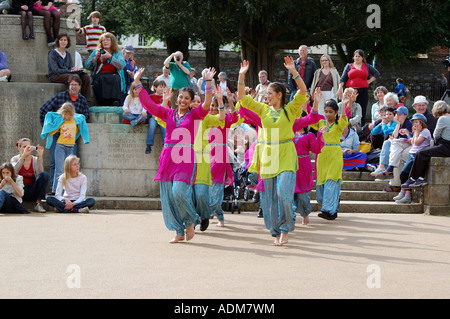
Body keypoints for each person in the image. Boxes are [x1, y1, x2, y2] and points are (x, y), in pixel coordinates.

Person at [134, 66, 215, 243]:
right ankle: (179, 231)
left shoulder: (194, 115)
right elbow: (148, 105)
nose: (183, 100)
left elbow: (207, 104)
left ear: (191, 100)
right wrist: (138, 83)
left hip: (186, 156)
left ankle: (189, 222)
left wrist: (208, 82)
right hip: (168, 155)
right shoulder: (168, 113)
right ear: (176, 99)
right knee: (169, 196)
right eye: (181, 97)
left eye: (187, 98)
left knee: (179, 191)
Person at [237, 56, 308, 246]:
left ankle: (285, 229)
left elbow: (303, 91)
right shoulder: (263, 110)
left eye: (269, 93)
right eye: (266, 93)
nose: (266, 96)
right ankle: (275, 230)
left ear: (279, 95)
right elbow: (242, 98)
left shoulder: (291, 109)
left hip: (286, 153)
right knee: (269, 199)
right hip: (269, 155)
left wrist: (294, 71)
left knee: (284, 193)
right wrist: (241, 76)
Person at [39, 74, 90, 192]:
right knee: (54, 164)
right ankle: (54, 188)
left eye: (76, 85)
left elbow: (86, 116)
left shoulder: (82, 100)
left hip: (72, 139)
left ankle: (68, 190)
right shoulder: (60, 97)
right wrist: (48, 128)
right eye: (71, 84)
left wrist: (77, 126)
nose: (73, 87)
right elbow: (44, 110)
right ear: (68, 85)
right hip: (57, 137)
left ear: (80, 86)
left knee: (72, 165)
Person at [192, 85, 227, 231]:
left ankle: (205, 215)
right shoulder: (179, 116)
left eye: (198, 101)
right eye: (193, 101)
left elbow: (221, 118)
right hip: (184, 160)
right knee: (187, 193)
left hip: (205, 159)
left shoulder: (205, 117)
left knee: (201, 194)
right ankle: (192, 221)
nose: (195, 103)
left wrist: (220, 101)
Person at [292, 88, 325, 225]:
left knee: (304, 194)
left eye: (301, 118)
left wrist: (320, 135)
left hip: (304, 165)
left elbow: (316, 149)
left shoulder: (310, 135)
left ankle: (305, 213)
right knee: (289, 192)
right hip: (290, 163)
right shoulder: (289, 134)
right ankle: (291, 217)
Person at [401, 101, 450, 189]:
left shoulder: (443, 119)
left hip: (446, 145)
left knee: (421, 153)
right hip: (446, 145)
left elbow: (436, 135)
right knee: (423, 152)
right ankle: (416, 178)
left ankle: (415, 178)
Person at [209, 90, 238, 227]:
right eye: (212, 106)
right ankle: (218, 216)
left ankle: (214, 212)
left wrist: (230, 101)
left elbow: (235, 118)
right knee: (207, 189)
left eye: (216, 105)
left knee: (216, 189)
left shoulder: (224, 120)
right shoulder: (205, 120)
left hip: (220, 156)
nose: (213, 108)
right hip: (205, 156)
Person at [391, 113, 431, 204]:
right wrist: (409, 134)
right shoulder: (419, 131)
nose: (415, 124)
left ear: (422, 123)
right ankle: (405, 193)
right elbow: (413, 142)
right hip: (411, 154)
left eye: (417, 122)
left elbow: (416, 143)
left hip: (416, 156)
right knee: (405, 174)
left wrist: (416, 132)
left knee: (405, 174)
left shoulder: (425, 131)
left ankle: (406, 194)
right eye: (414, 123)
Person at [337, 49, 380, 126]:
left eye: (359, 56)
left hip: (363, 90)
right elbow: (343, 78)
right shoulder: (349, 66)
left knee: (362, 109)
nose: (357, 58)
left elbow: (376, 73)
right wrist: (340, 88)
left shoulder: (367, 66)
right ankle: (346, 125)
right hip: (350, 91)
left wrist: (369, 81)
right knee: (349, 108)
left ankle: (361, 128)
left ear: (362, 58)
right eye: (355, 56)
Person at [375, 106, 413, 192]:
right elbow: (394, 136)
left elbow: (412, 138)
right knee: (395, 149)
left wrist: (407, 134)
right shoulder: (399, 123)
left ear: (405, 115)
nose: (397, 116)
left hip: (411, 145)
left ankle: (390, 171)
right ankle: (394, 180)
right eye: (397, 114)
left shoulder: (409, 123)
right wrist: (398, 124)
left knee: (396, 148)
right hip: (403, 145)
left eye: (400, 114)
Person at [47, 33, 91, 102]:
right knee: (74, 77)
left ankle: (85, 100)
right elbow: (55, 70)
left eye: (65, 40)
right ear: (58, 41)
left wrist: (74, 69)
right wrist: (69, 70)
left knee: (85, 76)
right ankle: (75, 99)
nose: (63, 42)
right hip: (55, 76)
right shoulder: (52, 53)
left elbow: (70, 67)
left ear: (68, 42)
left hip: (67, 74)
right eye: (61, 40)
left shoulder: (67, 54)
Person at [85, 32, 126, 106]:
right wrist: (95, 58)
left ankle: (115, 101)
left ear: (112, 42)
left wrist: (110, 57)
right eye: (103, 40)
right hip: (100, 75)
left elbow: (121, 65)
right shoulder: (96, 51)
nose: (105, 42)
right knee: (99, 79)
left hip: (114, 75)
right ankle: (103, 102)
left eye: (108, 40)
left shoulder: (118, 52)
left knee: (115, 78)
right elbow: (87, 65)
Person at [10, 138, 49, 212]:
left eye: (29, 147)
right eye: (24, 147)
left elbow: (41, 176)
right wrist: (23, 157)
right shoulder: (14, 159)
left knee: (45, 174)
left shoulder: (34, 159)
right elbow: (13, 172)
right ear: (19, 148)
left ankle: (38, 204)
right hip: (19, 190)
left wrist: (40, 158)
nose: (27, 149)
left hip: (31, 190)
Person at [146, 79, 170, 154]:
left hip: (162, 117)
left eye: (164, 87)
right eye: (160, 87)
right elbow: (148, 108)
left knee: (164, 128)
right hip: (153, 116)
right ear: (155, 87)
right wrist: (152, 115)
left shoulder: (166, 97)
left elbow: (168, 109)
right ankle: (149, 144)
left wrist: (165, 101)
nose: (162, 89)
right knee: (152, 125)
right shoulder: (151, 97)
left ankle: (165, 144)